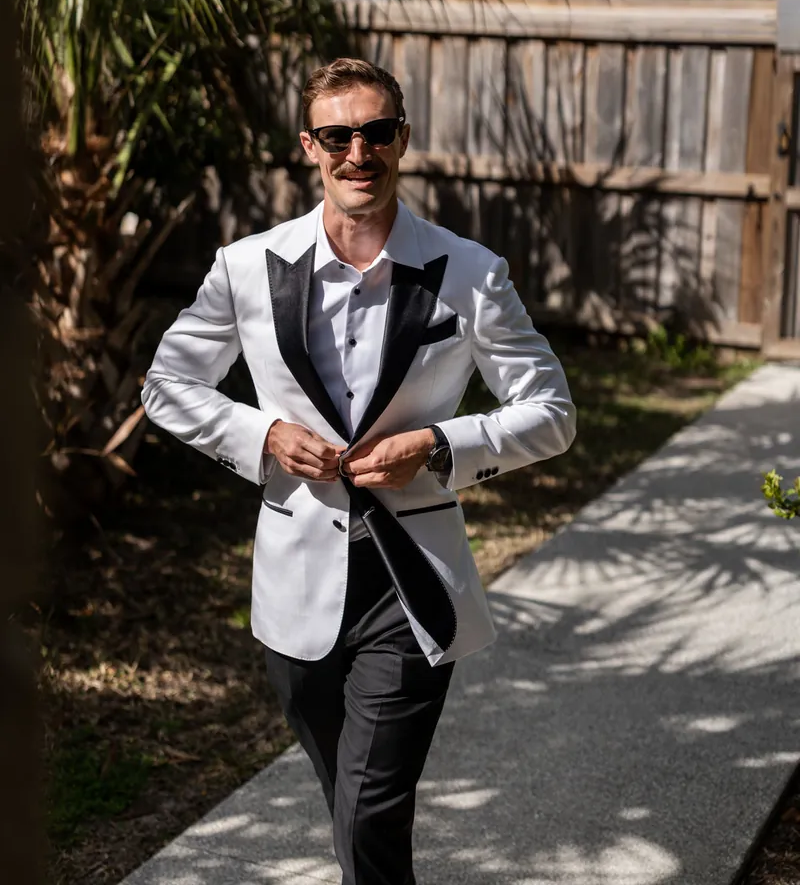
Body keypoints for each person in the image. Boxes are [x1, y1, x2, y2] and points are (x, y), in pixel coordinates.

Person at [142, 57, 576, 885]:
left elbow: (552, 413)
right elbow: (166, 386)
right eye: (337, 135)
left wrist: (440, 445)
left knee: (372, 801)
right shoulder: (247, 267)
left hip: (410, 579)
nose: (358, 153)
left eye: (376, 132)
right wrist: (262, 432)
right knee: (355, 804)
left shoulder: (469, 273)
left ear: (402, 138)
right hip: (293, 581)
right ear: (310, 146)